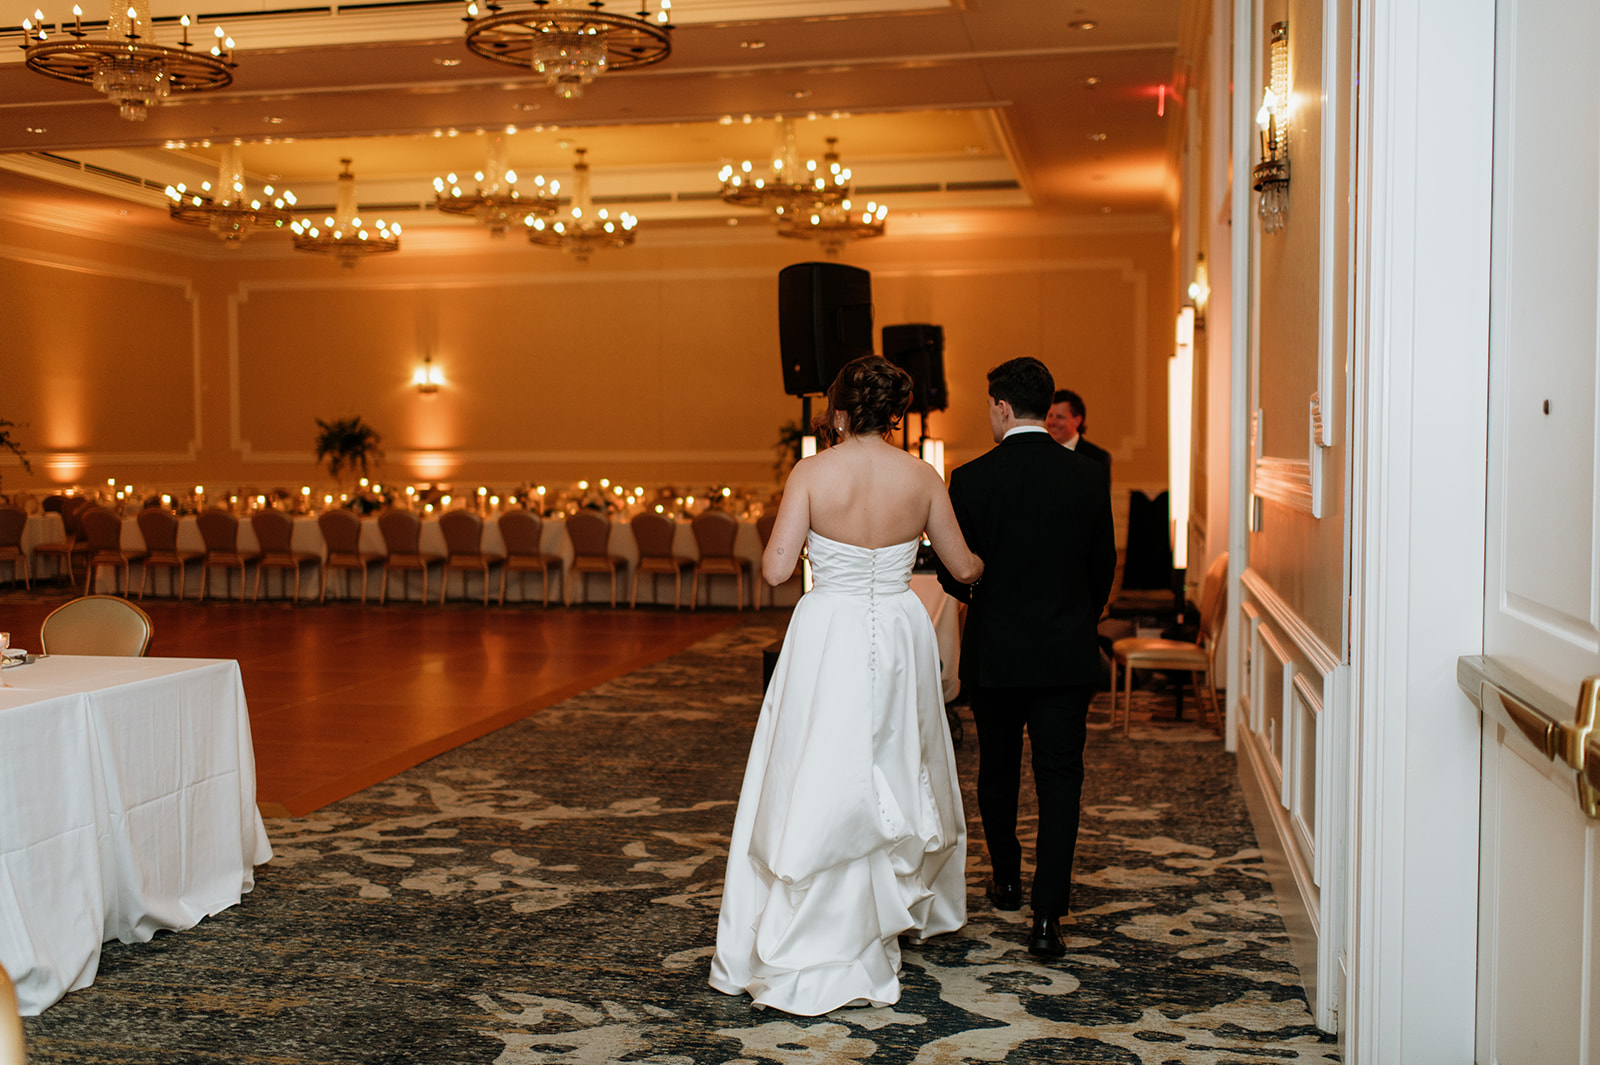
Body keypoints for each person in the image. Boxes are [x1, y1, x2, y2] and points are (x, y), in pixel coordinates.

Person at [710, 355, 983, 1015]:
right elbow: (965, 568)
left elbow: (776, 570)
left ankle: (817, 901)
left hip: (828, 626)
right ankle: (888, 901)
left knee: (820, 759)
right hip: (899, 626)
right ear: (894, 415)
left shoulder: (812, 472)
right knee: (895, 757)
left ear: (837, 412)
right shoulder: (922, 476)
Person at [936, 357, 1116, 959]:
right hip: (1066, 652)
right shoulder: (1087, 475)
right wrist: (1076, 619)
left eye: (989, 406)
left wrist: (986, 599)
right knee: (1060, 779)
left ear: (1003, 407)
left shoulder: (970, 479)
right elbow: (1103, 566)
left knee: (998, 769)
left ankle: (1007, 879)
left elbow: (955, 574)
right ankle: (1046, 916)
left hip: (998, 655)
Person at [1045, 388, 1112, 475]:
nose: (1052, 422)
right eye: (1050, 416)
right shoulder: (1039, 452)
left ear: (1077, 421)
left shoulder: (1096, 458)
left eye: (1059, 417)